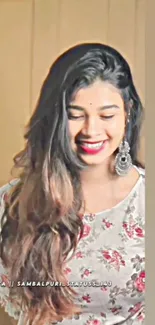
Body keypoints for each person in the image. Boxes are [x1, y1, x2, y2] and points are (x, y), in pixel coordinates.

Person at [0, 43, 145, 325]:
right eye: (75, 115)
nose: (91, 130)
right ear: (55, 118)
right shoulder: (13, 202)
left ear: (127, 114)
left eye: (107, 115)